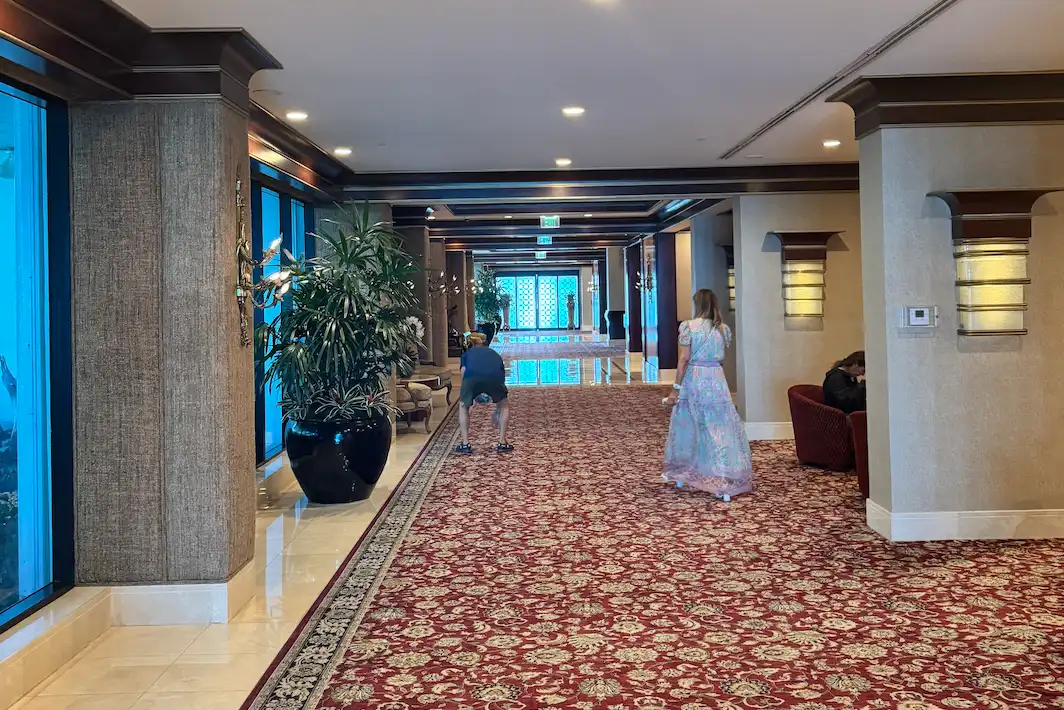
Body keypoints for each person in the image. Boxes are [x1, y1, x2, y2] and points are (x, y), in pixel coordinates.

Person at [662, 289, 752, 501]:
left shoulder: (689, 327)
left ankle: (688, 470)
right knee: (719, 426)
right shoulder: (723, 329)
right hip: (716, 379)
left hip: (696, 378)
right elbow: (721, 359)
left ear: (697, 304)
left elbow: (684, 359)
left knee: (692, 424)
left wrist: (676, 388)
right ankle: (724, 471)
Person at [455, 333, 513, 455]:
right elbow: (501, 375)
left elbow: (463, 372)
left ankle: (465, 443)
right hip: (494, 377)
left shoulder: (467, 354)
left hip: (471, 377)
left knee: (463, 406)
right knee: (504, 404)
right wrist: (498, 406)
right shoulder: (494, 353)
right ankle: (502, 442)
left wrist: (469, 395)